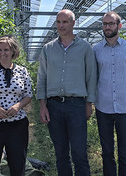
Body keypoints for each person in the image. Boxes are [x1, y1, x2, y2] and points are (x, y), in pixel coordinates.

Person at [36, 9, 97, 176]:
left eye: (65, 22)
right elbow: (42, 78)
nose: (61, 25)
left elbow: (91, 77)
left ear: (73, 23)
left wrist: (89, 104)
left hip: (76, 105)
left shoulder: (85, 48)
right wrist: (42, 106)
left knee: (79, 152)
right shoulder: (48, 49)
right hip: (54, 105)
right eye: (58, 22)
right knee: (61, 153)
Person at [93, 11, 126, 176]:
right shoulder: (96, 50)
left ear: (119, 26)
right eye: (105, 24)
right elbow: (93, 77)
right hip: (103, 107)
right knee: (106, 151)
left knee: (124, 151)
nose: (107, 27)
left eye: (111, 24)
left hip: (125, 108)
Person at [0, 35, 33, 176]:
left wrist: (18, 106)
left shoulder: (22, 71)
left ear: (13, 51)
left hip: (17, 125)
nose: (3, 53)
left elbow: (28, 95)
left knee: (17, 164)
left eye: (6, 50)